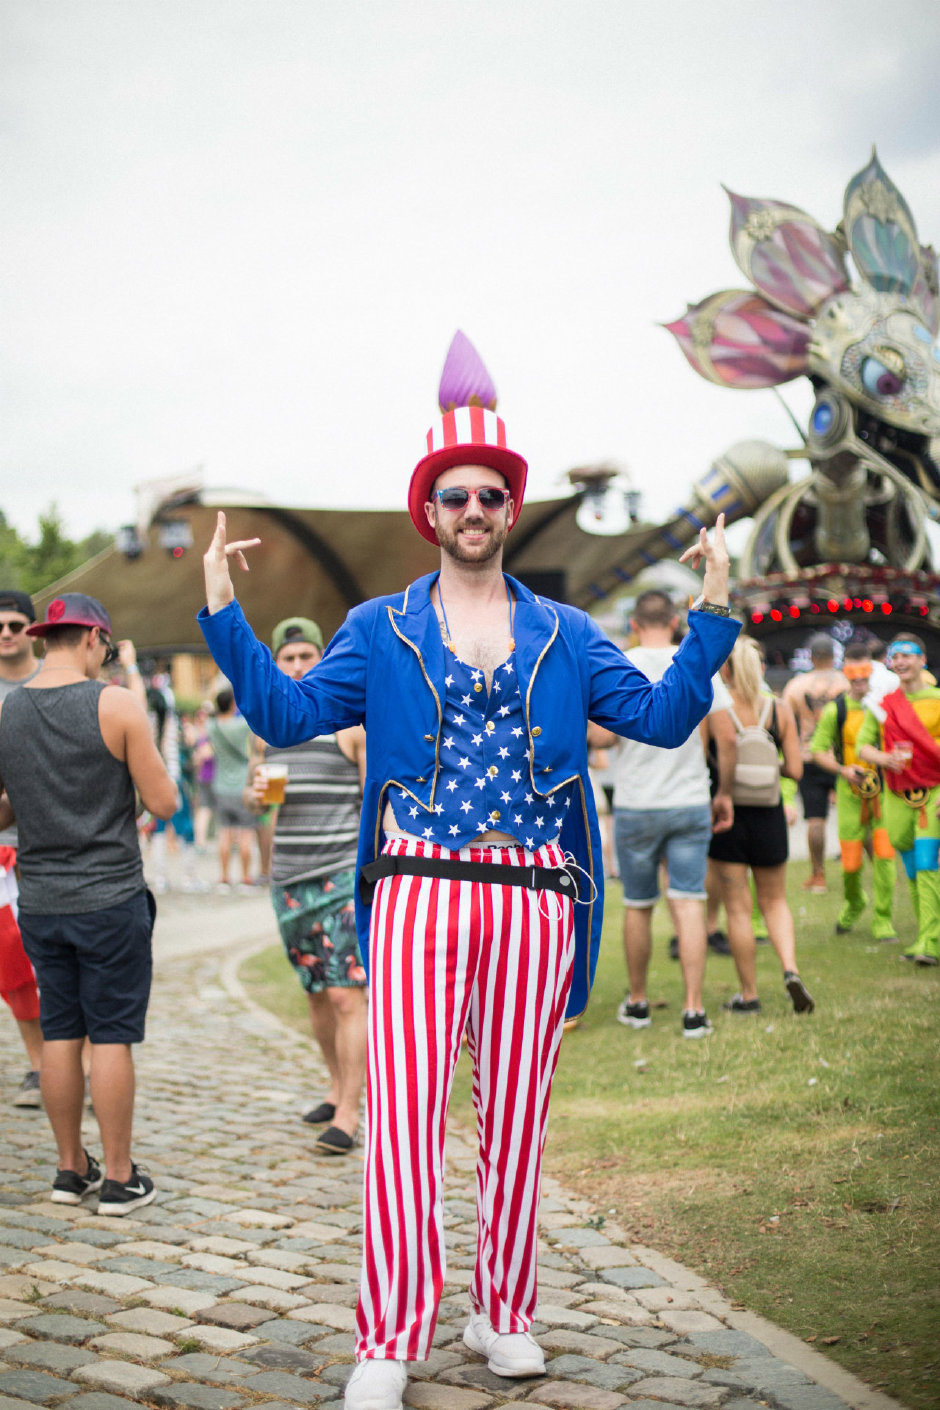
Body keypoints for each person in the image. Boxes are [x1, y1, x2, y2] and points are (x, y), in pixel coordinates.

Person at [198, 403, 738, 1410]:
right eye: (458, 494)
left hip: (535, 893)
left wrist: (710, 607)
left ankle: (505, 1313)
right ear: (429, 511)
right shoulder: (378, 628)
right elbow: (286, 714)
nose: (476, 507)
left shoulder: (566, 634)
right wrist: (224, 611)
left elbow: (663, 719)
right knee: (403, 1120)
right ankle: (390, 1337)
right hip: (417, 887)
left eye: (492, 494)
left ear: (510, 509)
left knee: (517, 1122)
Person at [0, 593, 177, 1212]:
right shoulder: (116, 702)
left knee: (59, 1032)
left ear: (47, 638)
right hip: (108, 896)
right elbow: (165, 805)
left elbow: (3, 810)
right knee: (110, 1036)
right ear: (95, 639)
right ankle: (122, 1177)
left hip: (41, 900)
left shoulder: (8, 711)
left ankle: (69, 1170)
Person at [244, 616, 368, 1155]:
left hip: (340, 874)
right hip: (288, 878)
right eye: (289, 659)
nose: (298, 666)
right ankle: (335, 1087)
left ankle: (349, 1113)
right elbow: (265, 808)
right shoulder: (265, 728)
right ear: (277, 665)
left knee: (345, 993)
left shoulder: (347, 725)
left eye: (306, 656)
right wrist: (255, 802)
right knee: (316, 994)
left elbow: (374, 800)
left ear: (322, 659)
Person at [589, 589, 736, 1039]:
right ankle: (694, 1010)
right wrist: (724, 790)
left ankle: (637, 1003)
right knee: (689, 902)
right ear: (675, 623)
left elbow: (601, 739)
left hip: (635, 803)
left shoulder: (620, 663)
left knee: (638, 905)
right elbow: (728, 738)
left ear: (634, 624)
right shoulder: (695, 664)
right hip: (689, 796)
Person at [709, 637, 814, 1015]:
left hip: (727, 817)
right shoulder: (779, 708)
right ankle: (790, 970)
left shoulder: (715, 709)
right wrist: (768, 768)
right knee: (775, 901)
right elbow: (797, 770)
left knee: (738, 909)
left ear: (725, 669)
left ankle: (749, 994)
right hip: (769, 815)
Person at [857, 632, 940, 965]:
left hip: (933, 791)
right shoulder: (882, 705)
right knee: (911, 867)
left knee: (927, 863)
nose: (901, 661)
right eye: (896, 656)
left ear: (922, 659)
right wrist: (884, 759)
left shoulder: (937, 698)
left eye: (908, 654)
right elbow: (864, 746)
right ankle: (924, 936)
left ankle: (930, 942)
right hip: (896, 793)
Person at [810, 642, 897, 942]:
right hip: (849, 794)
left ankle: (883, 919)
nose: (859, 679)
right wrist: (842, 769)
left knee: (885, 855)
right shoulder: (837, 709)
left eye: (865, 672)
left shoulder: (886, 704)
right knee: (850, 861)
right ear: (845, 672)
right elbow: (818, 750)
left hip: (884, 792)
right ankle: (854, 901)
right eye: (853, 672)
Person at [0, 589, 43, 1107]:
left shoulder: (51, 681)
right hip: (3, 847)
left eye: (15, 624)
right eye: (0, 625)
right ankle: (39, 1064)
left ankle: (72, 1063)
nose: (6, 632)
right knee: (12, 965)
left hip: (57, 841)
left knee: (57, 960)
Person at [782, 633, 847, 893]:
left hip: (809, 756)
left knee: (815, 819)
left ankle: (818, 874)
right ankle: (870, 866)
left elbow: (785, 723)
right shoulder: (845, 683)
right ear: (834, 655)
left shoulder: (796, 686)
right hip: (841, 758)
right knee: (857, 816)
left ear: (810, 656)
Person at [207, 686, 256, 891]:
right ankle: (245, 877)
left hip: (220, 786)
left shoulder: (212, 726)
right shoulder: (241, 725)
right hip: (241, 785)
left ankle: (224, 877)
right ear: (231, 704)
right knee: (245, 835)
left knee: (225, 834)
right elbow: (253, 719)